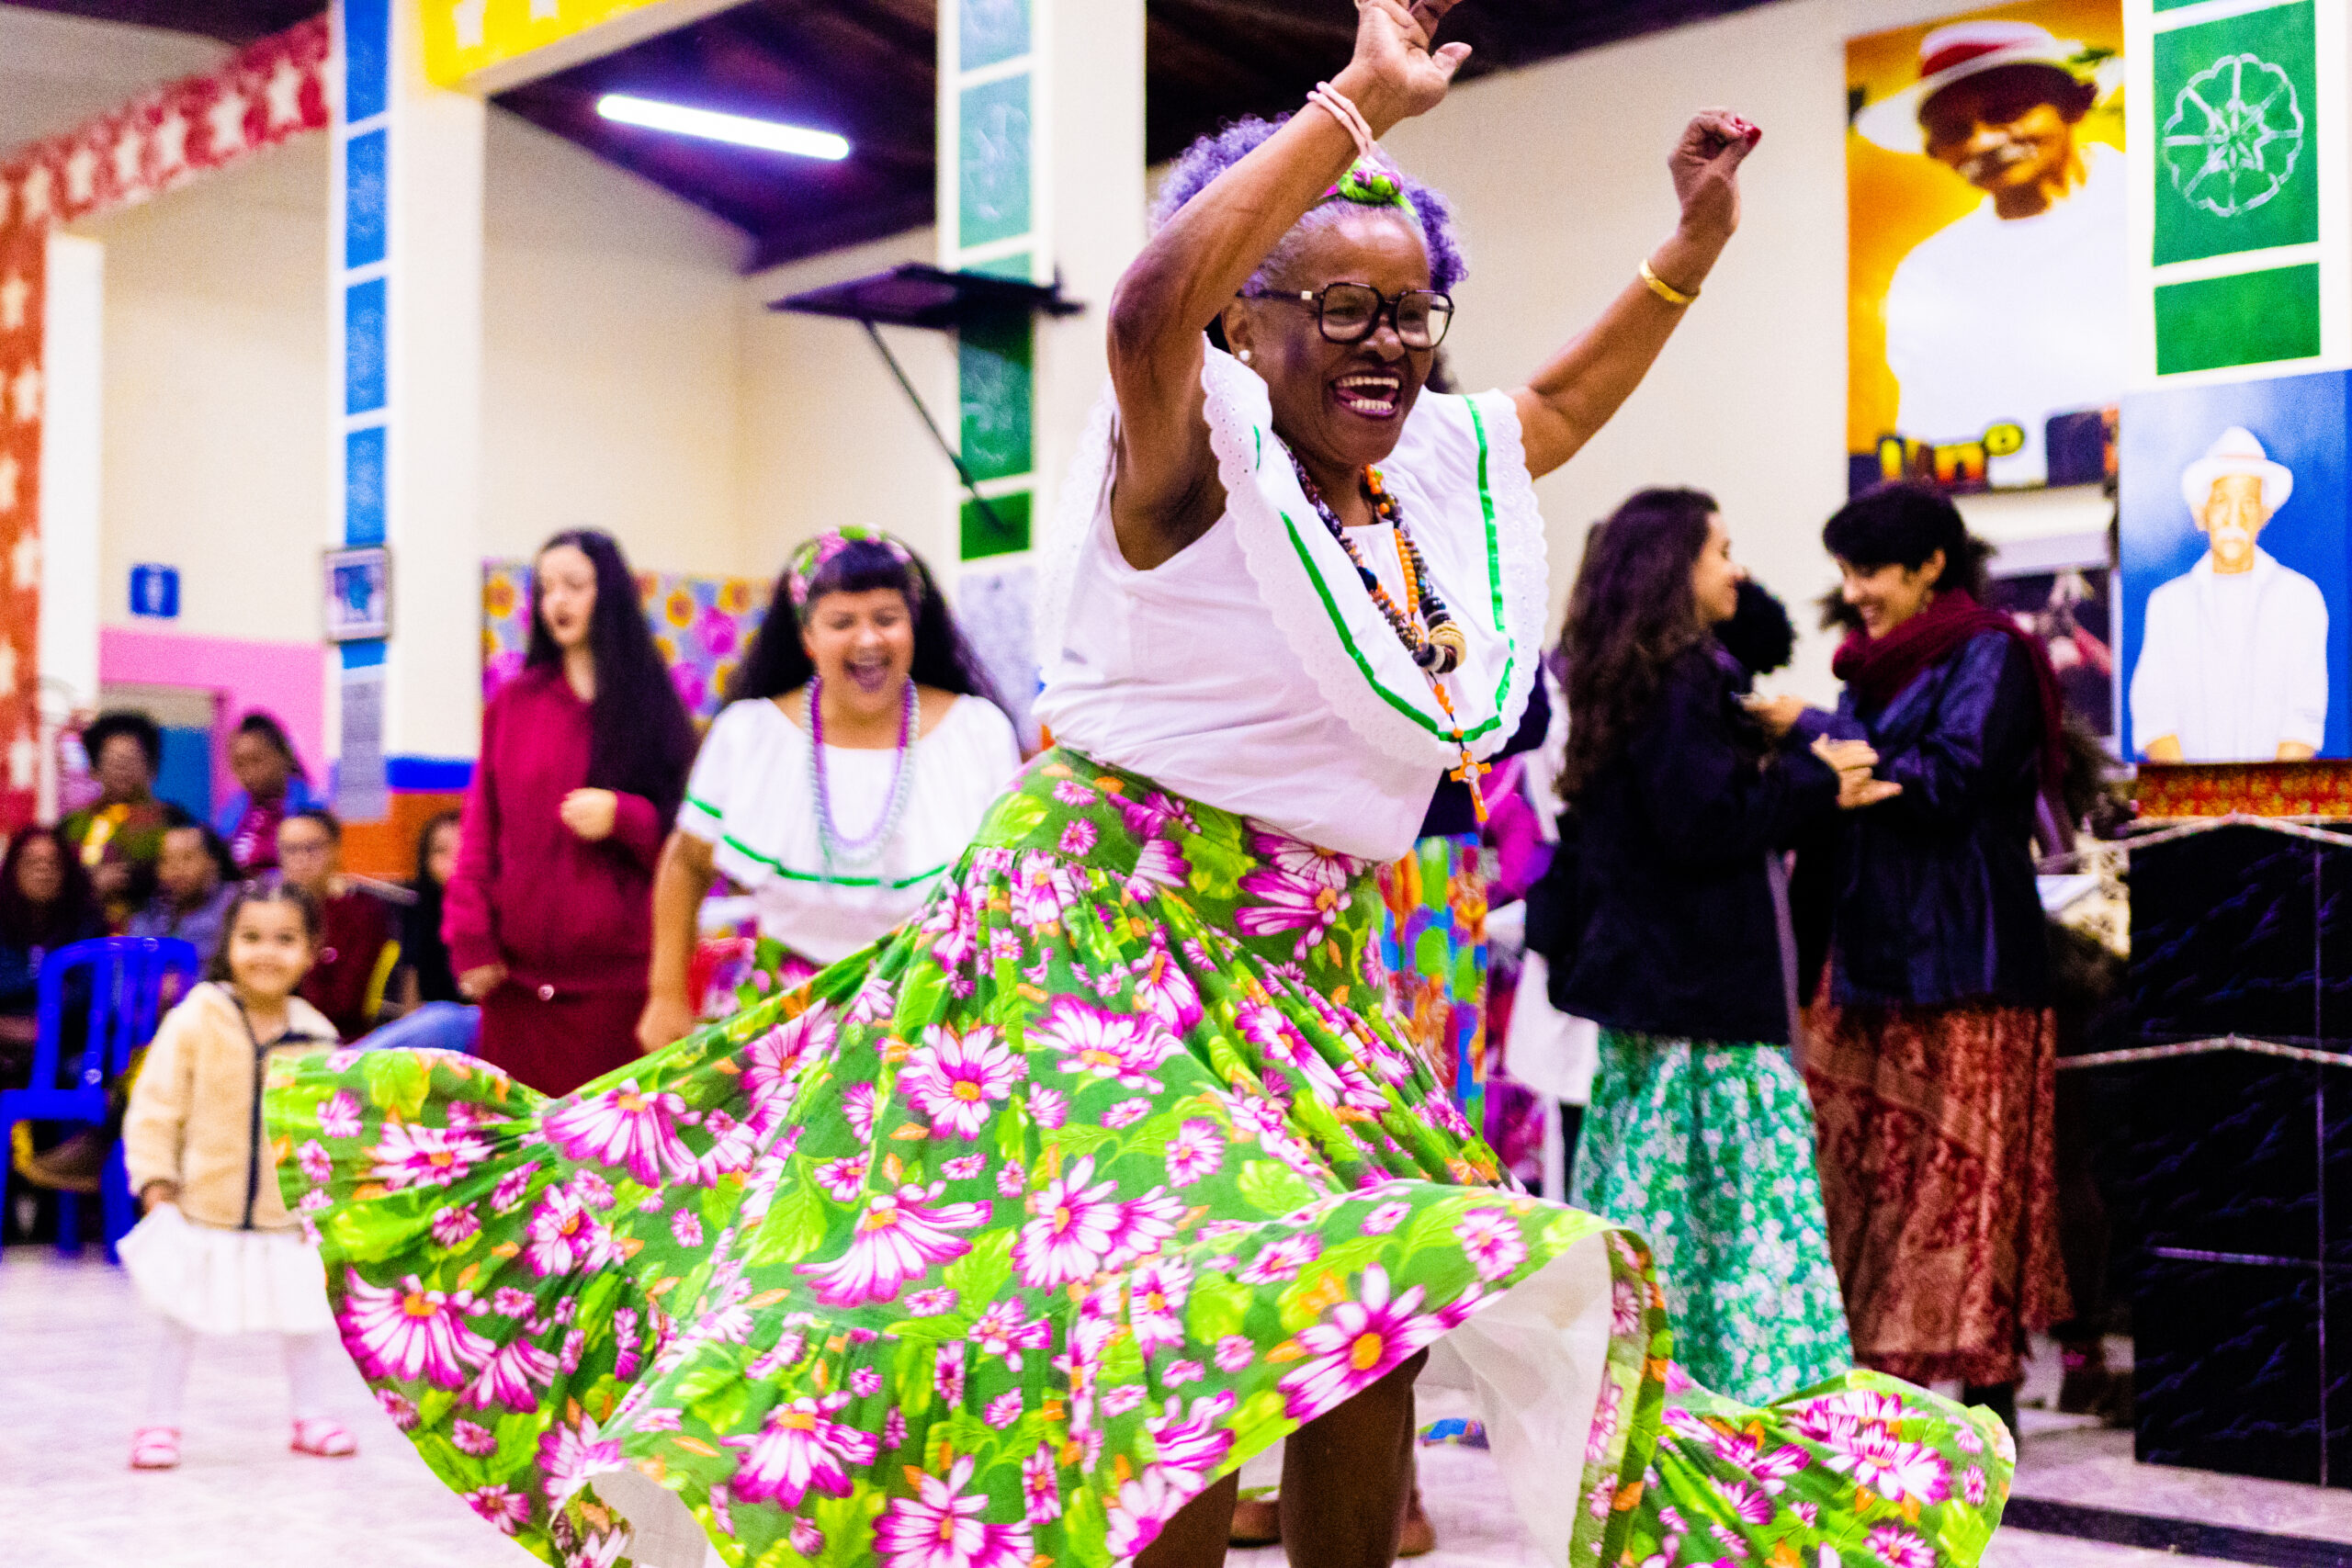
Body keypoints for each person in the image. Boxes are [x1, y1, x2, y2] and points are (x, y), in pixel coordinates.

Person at [269, 8, 2010, 1567]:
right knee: (1168, 1298)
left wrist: (1691, 246)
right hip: (1099, 933)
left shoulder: (1423, 488)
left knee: (1371, 1292)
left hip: (1308, 958)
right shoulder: (1187, 455)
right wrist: (1352, 105)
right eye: (1339, 306)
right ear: (1251, 325)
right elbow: (1145, 306)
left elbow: (1550, 403)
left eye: (1413, 311)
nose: (1388, 344)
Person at [1550, 488, 1891, 1405]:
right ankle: (1749, 1424)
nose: (1737, 569)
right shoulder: (1676, 680)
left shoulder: (1630, 675)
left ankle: (1668, 1410)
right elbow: (1704, 822)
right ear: (1674, 569)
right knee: (1744, 1238)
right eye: (1721, 551)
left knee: (1664, 1229)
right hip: (1702, 1011)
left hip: (1655, 1007)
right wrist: (1815, 783)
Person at [1786, 481, 2074, 1435]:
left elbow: (1951, 778)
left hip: (1965, 958)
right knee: (1867, 1179)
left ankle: (1988, 1413)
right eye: (1846, 573)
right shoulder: (1871, 671)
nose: (1855, 592)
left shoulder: (1989, 652)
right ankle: (1882, 1398)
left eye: (1867, 571)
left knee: (1969, 1185)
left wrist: (1819, 740)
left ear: (1929, 567)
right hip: (1868, 953)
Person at [639, 528, 1022, 1052]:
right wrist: (666, 995)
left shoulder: (978, 731)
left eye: (887, 618)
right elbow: (685, 865)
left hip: (936, 1014)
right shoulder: (750, 734)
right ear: (808, 639)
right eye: (843, 622)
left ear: (915, 628)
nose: (868, 640)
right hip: (780, 1018)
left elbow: (1014, 893)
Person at [445, 528, 697, 1095]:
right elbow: (480, 834)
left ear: (607, 595)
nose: (557, 601)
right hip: (517, 994)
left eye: (575, 585)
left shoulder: (652, 710)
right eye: (545, 588)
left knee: (611, 1169)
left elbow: (696, 850)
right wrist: (471, 938)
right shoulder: (513, 704)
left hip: (620, 997)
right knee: (523, 1169)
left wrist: (625, 817)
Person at [118, 881, 351, 1471]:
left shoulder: (318, 1037)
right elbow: (155, 1105)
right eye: (251, 937)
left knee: (303, 1314)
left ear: (311, 949)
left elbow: (329, 1131)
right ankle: (158, 1421)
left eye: (285, 939)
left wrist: (325, 1205)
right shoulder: (198, 1017)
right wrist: (156, 1181)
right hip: (199, 1203)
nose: (266, 953)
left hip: (287, 1214)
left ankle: (312, 1413)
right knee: (177, 1316)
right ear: (228, 944)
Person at [1858, 20, 2124, 488]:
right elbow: (1927, 432)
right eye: (1955, 130)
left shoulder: (2153, 209)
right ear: (1936, 151)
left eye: (2007, 112)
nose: (1983, 141)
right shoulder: (1930, 272)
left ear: (2074, 102)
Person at [2129, 426, 2328, 761]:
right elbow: (2154, 716)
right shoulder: (2167, 605)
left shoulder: (2301, 599)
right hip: (2190, 812)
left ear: (2264, 515)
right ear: (2200, 513)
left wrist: (2262, 808)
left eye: (2249, 502)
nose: (2235, 516)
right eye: (2222, 501)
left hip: (2278, 811)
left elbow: (2304, 718)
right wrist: (2200, 805)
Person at [276, 809, 399, 1042]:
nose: (300, 860)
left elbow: (345, 1004)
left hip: (344, 1042)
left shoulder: (362, 910)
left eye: (311, 848)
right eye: (290, 850)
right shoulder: (270, 910)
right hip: (276, 1034)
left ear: (335, 849)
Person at [62, 710, 192, 930]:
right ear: (94, 768)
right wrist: (89, 886)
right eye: (112, 760)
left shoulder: (174, 820)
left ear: (152, 767)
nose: (122, 769)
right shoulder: (71, 826)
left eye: (131, 760)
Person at [0, 827, 104, 1068]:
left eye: (53, 863)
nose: (43, 870)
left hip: (69, 1048)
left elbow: (89, 1000)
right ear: (12, 869)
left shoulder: (88, 925)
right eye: (31, 862)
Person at [213, 711, 323, 874]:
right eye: (240, 764)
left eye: (256, 760)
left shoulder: (313, 809)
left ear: (284, 756)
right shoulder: (231, 814)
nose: (248, 772)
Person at [128, 823, 241, 959]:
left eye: (187, 857)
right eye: (165, 860)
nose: (176, 869)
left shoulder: (235, 906)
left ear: (213, 863)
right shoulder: (148, 916)